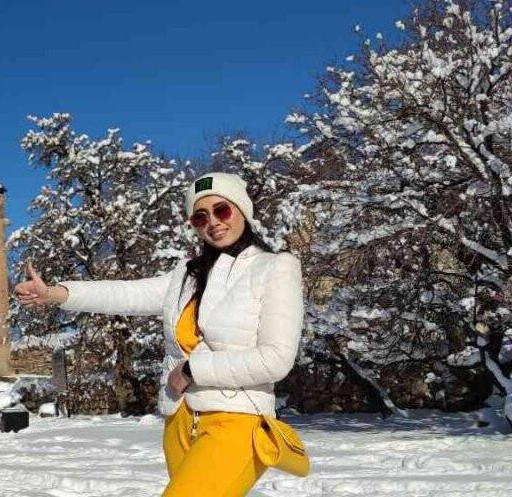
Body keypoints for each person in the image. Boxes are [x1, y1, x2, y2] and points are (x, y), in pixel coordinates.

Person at [15, 173, 304, 497]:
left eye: (222, 210)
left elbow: (276, 358)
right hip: (179, 421)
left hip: (238, 423)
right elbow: (126, 295)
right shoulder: (187, 275)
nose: (213, 222)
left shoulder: (275, 268)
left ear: (241, 209)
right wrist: (56, 294)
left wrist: (193, 370)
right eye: (200, 216)